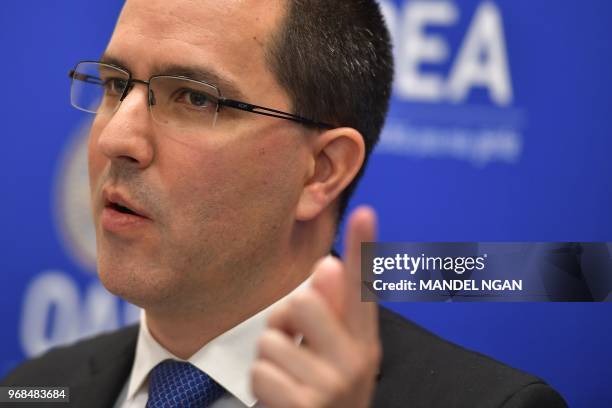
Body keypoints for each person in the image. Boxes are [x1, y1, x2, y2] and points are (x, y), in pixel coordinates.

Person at [2, 0, 567, 407]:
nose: (114, 139)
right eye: (114, 83)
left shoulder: (494, 404)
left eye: (195, 98)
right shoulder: (36, 388)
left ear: (321, 171)